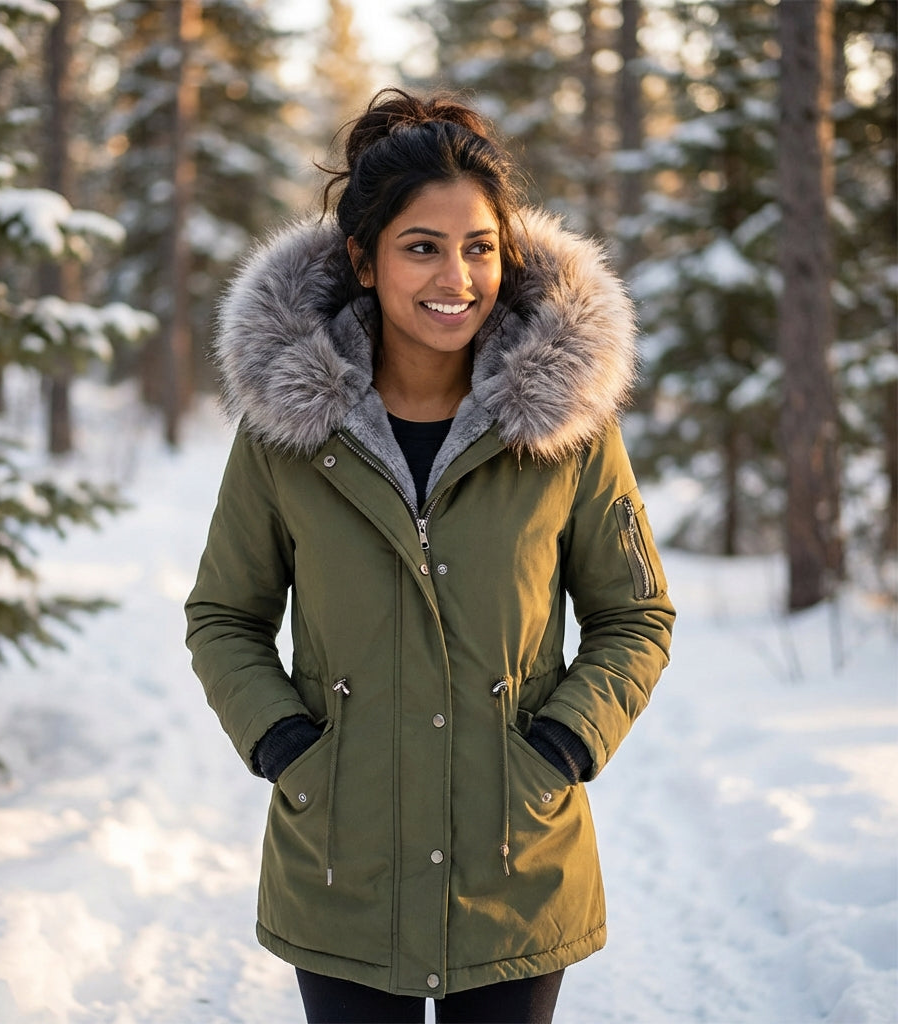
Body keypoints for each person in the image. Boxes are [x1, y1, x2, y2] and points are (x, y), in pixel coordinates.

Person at [185, 88, 675, 1024]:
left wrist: (565, 744)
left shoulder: (567, 426)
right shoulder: (287, 433)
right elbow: (223, 616)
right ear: (363, 261)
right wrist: (286, 746)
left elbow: (635, 614)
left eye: (479, 247)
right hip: (342, 866)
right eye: (422, 247)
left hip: (516, 867)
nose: (457, 276)